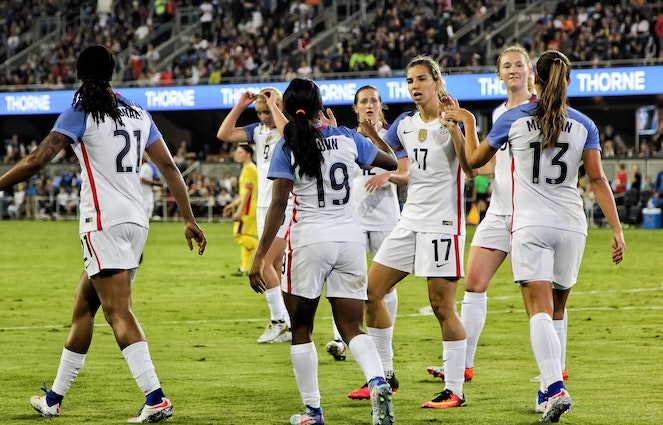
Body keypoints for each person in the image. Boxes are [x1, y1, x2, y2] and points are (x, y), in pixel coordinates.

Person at [0, 45, 207, 422]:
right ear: (112, 71)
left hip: (103, 224)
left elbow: (37, 160)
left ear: (79, 73)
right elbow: (170, 169)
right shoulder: (138, 113)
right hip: (136, 223)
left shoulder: (80, 112)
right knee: (84, 306)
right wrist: (189, 218)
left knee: (117, 312)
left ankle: (156, 397)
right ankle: (54, 399)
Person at [445, 49, 625, 423]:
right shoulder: (585, 124)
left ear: (534, 81)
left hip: (531, 224)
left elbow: (476, 164)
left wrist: (461, 126)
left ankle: (555, 388)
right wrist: (617, 229)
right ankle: (547, 391)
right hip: (573, 225)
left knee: (538, 311)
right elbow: (597, 179)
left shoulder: (512, 118)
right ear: (568, 82)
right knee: (558, 310)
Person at [248, 78, 398, 425]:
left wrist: (260, 256)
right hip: (350, 240)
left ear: (286, 109)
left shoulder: (288, 146)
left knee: (301, 328)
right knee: (352, 327)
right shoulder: (346, 137)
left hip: (309, 241)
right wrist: (371, 133)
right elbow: (390, 162)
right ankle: (378, 381)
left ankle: (313, 411)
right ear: (321, 107)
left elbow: (279, 204)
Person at [427, 45, 575, 385]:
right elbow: (488, 166)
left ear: (530, 72)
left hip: (533, 214)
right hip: (499, 211)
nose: (513, 70)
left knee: (549, 298)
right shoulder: (499, 113)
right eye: (506, 65)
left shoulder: (543, 110)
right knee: (474, 283)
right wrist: (461, 129)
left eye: (519, 64)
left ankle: (557, 367)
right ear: (498, 74)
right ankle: (464, 363)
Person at [359, 55, 474, 410]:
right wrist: (369, 133)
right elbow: (387, 156)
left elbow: (471, 168)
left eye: (421, 79)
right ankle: (384, 376)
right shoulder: (405, 125)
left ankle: (454, 389)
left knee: (441, 305)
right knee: (371, 291)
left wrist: (455, 130)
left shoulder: (458, 117)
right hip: (409, 221)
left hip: (443, 223)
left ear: (437, 82)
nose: (414, 86)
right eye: (410, 81)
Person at [335, 86, 409, 401]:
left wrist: (388, 177)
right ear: (355, 107)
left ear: (381, 106)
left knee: (381, 290)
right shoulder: (347, 139)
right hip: (354, 218)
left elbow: (408, 173)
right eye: (364, 101)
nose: (369, 104)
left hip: (385, 219)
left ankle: (384, 367)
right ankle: (346, 340)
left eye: (374, 100)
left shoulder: (393, 136)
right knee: (354, 283)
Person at [216, 88, 292, 343]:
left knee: (266, 263)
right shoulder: (258, 132)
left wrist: (275, 107)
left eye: (267, 110)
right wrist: (240, 106)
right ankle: (288, 324)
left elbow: (288, 134)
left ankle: (279, 319)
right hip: (264, 206)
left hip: (285, 204)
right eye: (259, 112)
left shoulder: (289, 128)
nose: (263, 117)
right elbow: (224, 134)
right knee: (277, 267)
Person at [223, 144, 259, 277]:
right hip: (250, 206)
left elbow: (248, 193)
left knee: (238, 235)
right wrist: (233, 205)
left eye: (239, 152)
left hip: (248, 209)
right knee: (245, 236)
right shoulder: (248, 168)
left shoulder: (249, 169)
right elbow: (245, 193)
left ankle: (261, 249)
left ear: (248, 154)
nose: (236, 155)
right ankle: (244, 268)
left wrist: (239, 211)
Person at [139, 152, 161, 219]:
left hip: (146, 195)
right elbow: (142, 180)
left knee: (146, 216)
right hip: (141, 195)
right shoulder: (143, 167)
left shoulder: (149, 166)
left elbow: (159, 182)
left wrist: (149, 183)